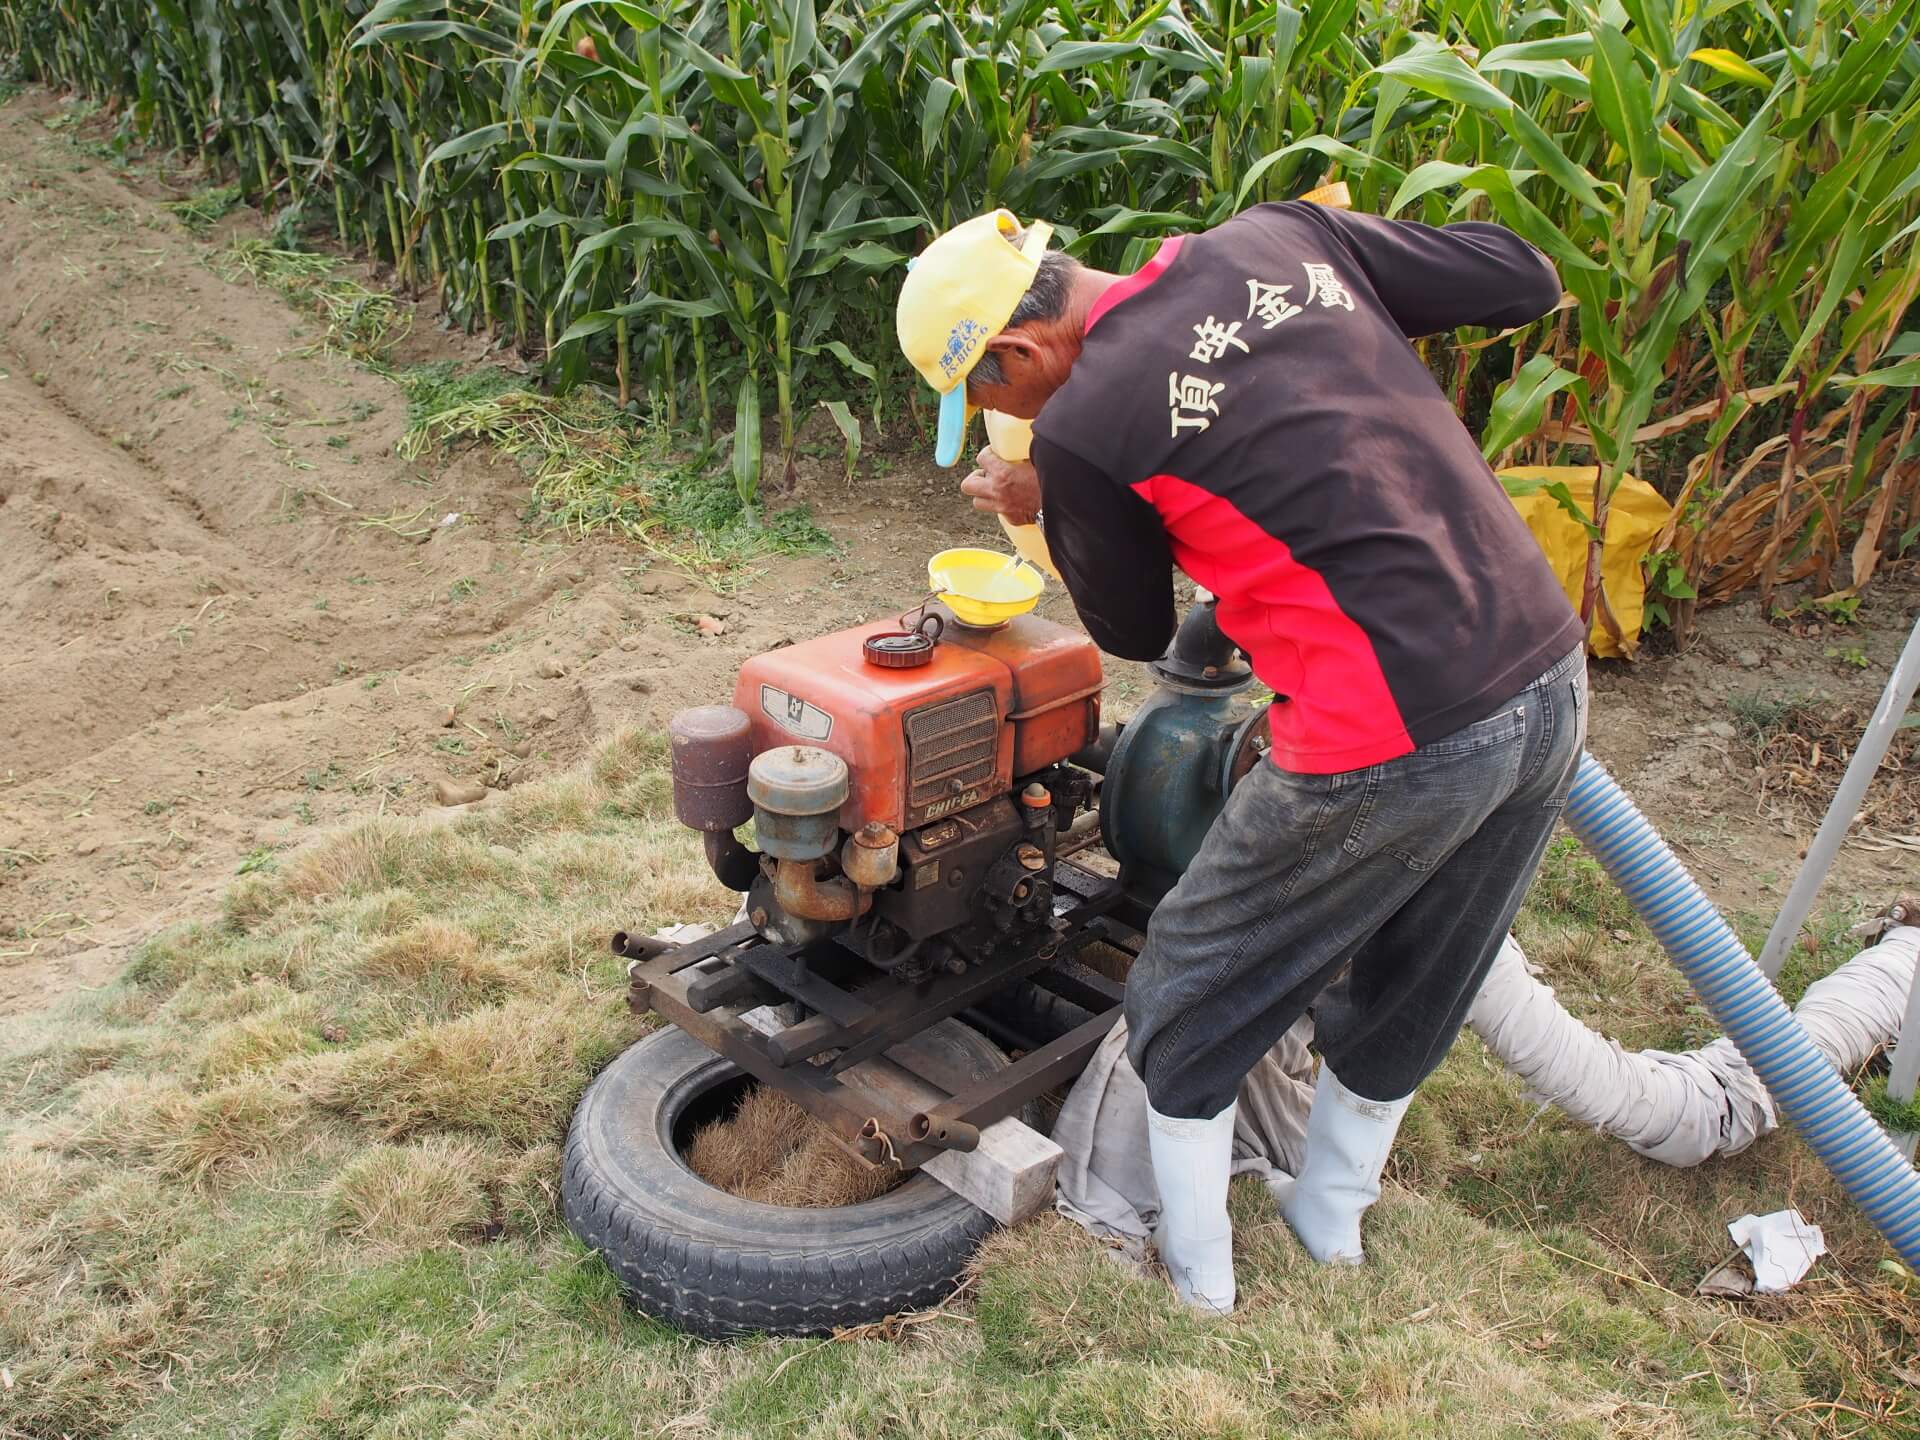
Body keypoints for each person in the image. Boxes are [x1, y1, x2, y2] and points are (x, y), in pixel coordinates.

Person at [895, 206, 1588, 1313]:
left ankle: (1199, 1279)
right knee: (1424, 969)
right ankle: (1329, 1225)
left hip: (1386, 734)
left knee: (1188, 984)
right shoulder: (1281, 241)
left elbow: (1127, 627)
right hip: (1547, 673)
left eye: (983, 396)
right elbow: (1520, 270)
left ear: (1020, 353)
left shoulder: (1080, 432)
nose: (996, 419)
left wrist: (1048, 498)